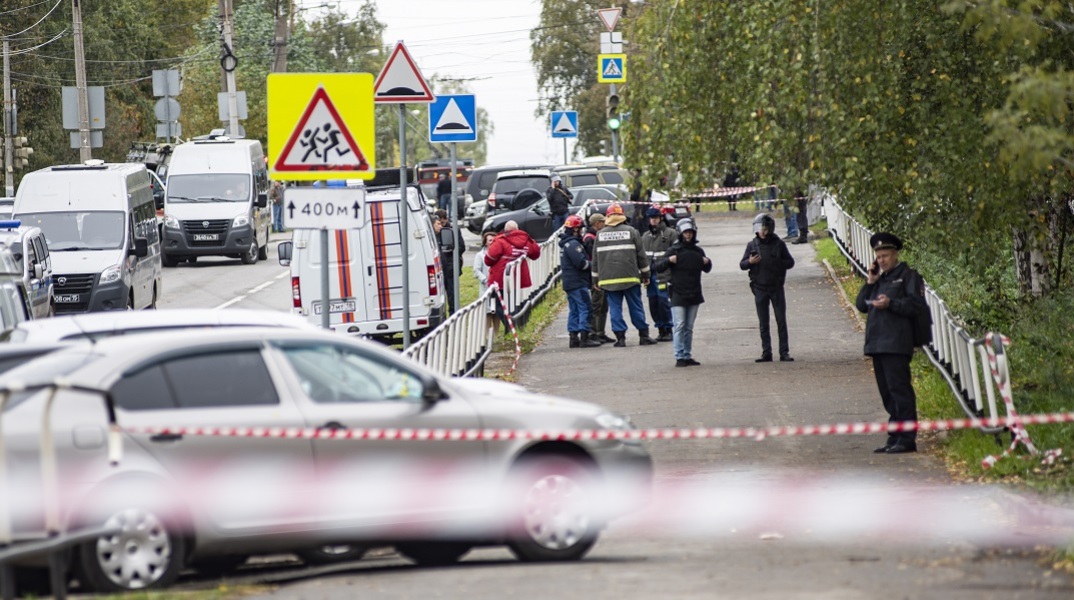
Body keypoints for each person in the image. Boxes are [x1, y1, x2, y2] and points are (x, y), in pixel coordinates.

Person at [855, 232, 928, 454]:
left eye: (886, 255)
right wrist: (870, 282)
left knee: (900, 391)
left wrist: (891, 303)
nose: (882, 260)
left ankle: (907, 438)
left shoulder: (908, 277)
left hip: (897, 342)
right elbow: (861, 305)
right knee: (887, 393)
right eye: (879, 256)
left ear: (895, 254)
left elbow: (916, 306)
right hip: (877, 343)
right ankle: (895, 435)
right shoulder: (880, 279)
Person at [592, 202, 658, 347]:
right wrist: (646, 275)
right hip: (630, 278)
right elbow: (641, 256)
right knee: (636, 306)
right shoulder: (632, 231)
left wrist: (595, 279)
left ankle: (620, 338)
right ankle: (643, 336)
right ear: (622, 216)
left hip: (608, 281)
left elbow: (595, 259)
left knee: (615, 309)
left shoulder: (600, 235)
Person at [654, 219, 711, 366]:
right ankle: (679, 356)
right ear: (680, 233)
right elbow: (658, 266)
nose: (688, 235)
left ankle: (687, 354)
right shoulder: (674, 250)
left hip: (694, 292)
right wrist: (669, 261)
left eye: (690, 232)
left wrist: (707, 262)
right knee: (679, 324)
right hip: (678, 293)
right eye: (686, 232)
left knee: (689, 327)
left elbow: (707, 268)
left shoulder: (698, 251)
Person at [739, 213, 795, 362]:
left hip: (776, 287)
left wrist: (778, 262)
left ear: (770, 228)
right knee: (763, 322)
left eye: (765, 228)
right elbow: (742, 265)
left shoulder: (779, 244)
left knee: (781, 320)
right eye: (760, 228)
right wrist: (750, 261)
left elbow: (790, 262)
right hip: (759, 287)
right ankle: (766, 352)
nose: (762, 231)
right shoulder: (752, 245)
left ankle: (784, 352)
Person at [485, 220, 541, 328]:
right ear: (518, 229)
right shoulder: (527, 240)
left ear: (505, 230)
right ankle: (517, 325)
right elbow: (535, 253)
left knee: (497, 304)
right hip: (519, 279)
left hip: (500, 279)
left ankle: (510, 326)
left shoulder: (500, 241)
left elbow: (489, 258)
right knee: (516, 303)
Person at [559, 214, 601, 348]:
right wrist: (593, 264)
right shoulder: (573, 245)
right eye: (580, 228)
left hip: (570, 282)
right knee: (585, 308)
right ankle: (584, 337)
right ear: (575, 229)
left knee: (575, 310)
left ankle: (574, 337)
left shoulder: (566, 244)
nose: (582, 231)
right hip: (577, 282)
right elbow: (581, 264)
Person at [641, 206, 677, 342]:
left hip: (665, 275)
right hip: (650, 277)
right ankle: (660, 329)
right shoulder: (645, 236)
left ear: (661, 218)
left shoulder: (670, 234)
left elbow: (677, 253)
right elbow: (642, 257)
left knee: (664, 303)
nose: (653, 221)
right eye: (651, 218)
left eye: (655, 218)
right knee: (653, 303)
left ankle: (668, 329)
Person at [583, 213, 614, 345]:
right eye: (602, 222)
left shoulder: (596, 237)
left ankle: (601, 333)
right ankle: (594, 332)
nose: (605, 224)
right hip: (596, 277)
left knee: (603, 306)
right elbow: (595, 259)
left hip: (602, 276)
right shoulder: (590, 239)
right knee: (597, 305)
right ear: (597, 224)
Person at [434, 209, 463, 314]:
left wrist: (449, 250)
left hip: (450, 267)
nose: (441, 226)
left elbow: (461, 247)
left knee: (452, 294)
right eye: (438, 224)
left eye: (442, 223)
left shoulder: (452, 229)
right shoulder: (433, 233)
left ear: (445, 219)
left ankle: (453, 314)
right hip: (440, 268)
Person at [473, 230, 499, 333]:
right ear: (485, 242)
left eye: (494, 240)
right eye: (489, 240)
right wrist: (485, 280)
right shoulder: (480, 255)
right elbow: (476, 270)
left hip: (497, 287)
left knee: (496, 311)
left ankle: (496, 333)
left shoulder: (499, 254)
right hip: (486, 287)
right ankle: (487, 334)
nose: (492, 242)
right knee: (487, 312)